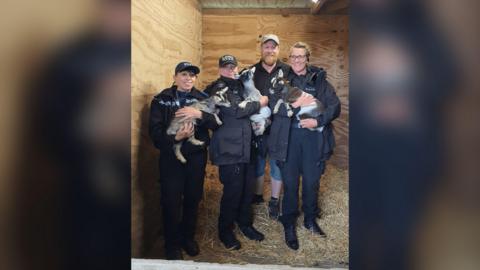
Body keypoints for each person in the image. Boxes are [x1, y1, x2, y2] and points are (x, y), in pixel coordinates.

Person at [268, 42, 341, 250]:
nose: (297, 60)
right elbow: (273, 104)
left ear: (307, 58)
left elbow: (334, 106)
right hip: (289, 138)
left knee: (311, 182)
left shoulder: (319, 80)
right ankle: (289, 222)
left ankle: (310, 219)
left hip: (312, 138)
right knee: (290, 183)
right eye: (293, 56)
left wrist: (317, 122)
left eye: (301, 56)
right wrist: (294, 105)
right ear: (289, 59)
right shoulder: (281, 78)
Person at [149, 61, 220, 260]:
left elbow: (216, 123)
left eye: (192, 75)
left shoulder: (203, 97)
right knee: (170, 201)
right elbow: (154, 134)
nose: (189, 78)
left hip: (196, 158)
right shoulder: (161, 100)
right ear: (175, 77)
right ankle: (171, 245)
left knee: (192, 198)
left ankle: (187, 238)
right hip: (171, 158)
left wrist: (200, 114)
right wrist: (176, 138)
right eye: (184, 74)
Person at [205, 55, 269, 250]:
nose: (230, 70)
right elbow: (235, 111)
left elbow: (250, 100)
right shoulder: (217, 88)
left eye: (233, 67)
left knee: (247, 189)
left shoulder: (241, 86)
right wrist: (261, 103)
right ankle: (225, 230)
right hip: (228, 149)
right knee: (233, 192)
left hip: (246, 147)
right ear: (219, 69)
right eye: (226, 67)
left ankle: (245, 224)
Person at [251, 34, 291, 220]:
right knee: (258, 163)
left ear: (278, 49)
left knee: (276, 165)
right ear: (261, 49)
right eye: (267, 47)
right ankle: (257, 196)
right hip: (258, 127)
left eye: (273, 47)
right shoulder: (251, 72)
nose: (270, 50)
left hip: (280, 127)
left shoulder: (288, 71)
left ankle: (274, 201)